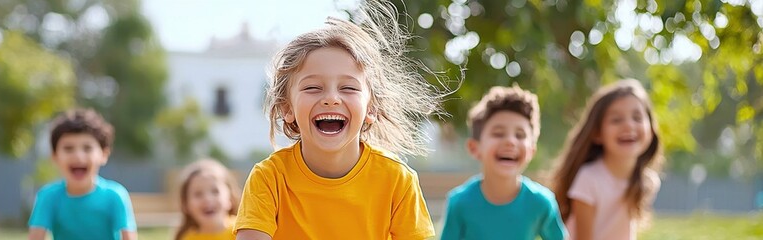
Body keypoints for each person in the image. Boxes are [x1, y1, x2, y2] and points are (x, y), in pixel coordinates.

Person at [233, 1, 445, 239]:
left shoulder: (398, 180)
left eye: (348, 88)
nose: (331, 98)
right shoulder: (269, 178)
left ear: (371, 109)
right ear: (287, 108)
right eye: (313, 87)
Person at [440, 85, 567, 240]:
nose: (510, 141)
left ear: (532, 151)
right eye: (498, 133)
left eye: (520, 135)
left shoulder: (542, 203)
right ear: (474, 148)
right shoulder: (459, 203)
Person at [552, 79, 663, 240]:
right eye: (616, 120)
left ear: (651, 130)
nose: (628, 126)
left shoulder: (647, 182)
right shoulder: (589, 179)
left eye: (637, 118)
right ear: (597, 133)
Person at [28, 108, 137, 240]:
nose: (78, 156)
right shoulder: (48, 196)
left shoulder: (115, 196)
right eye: (68, 148)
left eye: (87, 148)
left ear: (104, 154)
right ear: (55, 156)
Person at [175, 159, 240, 240]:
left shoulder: (242, 232)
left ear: (231, 198)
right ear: (185, 204)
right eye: (198, 194)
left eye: (215, 191)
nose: (207, 199)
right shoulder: (187, 237)